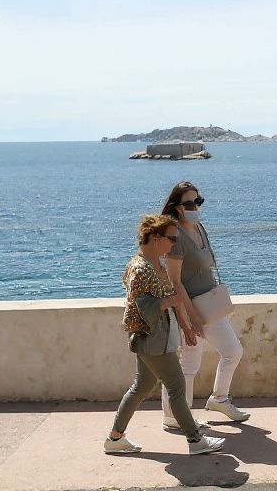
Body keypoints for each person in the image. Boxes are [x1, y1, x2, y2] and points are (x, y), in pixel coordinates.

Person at [105, 215, 225, 456]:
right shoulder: (142, 269)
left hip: (155, 336)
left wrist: (184, 324)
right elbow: (140, 306)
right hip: (152, 337)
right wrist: (169, 301)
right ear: (155, 238)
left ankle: (115, 438)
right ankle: (195, 440)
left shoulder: (154, 265)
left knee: (142, 386)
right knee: (177, 387)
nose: (174, 243)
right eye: (171, 238)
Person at [158, 181, 250, 430]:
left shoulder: (199, 227)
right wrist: (191, 317)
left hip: (208, 302)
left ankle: (185, 411)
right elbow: (174, 281)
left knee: (193, 360)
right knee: (213, 356)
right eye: (190, 203)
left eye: (198, 201)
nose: (196, 207)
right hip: (192, 307)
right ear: (177, 207)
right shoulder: (175, 236)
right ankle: (187, 411)